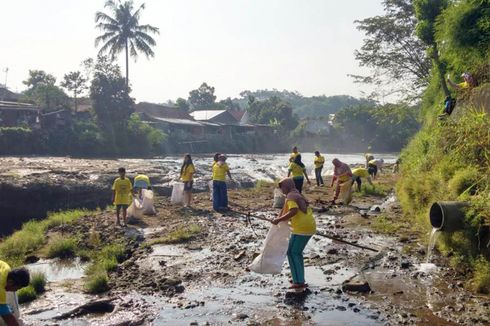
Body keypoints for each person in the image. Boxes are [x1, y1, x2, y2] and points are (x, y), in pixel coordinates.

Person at [272, 178, 316, 290]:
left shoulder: (291, 197)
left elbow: (294, 211)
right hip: (307, 226)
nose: (281, 190)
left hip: (302, 228)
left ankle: (299, 281)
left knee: (293, 252)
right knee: (295, 252)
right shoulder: (297, 194)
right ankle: (298, 277)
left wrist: (279, 220)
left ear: (287, 186)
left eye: (282, 187)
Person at [0, 260, 30, 326]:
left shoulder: (6, 269)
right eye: (17, 288)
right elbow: (6, 316)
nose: (15, 291)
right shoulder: (1, 290)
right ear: (11, 282)